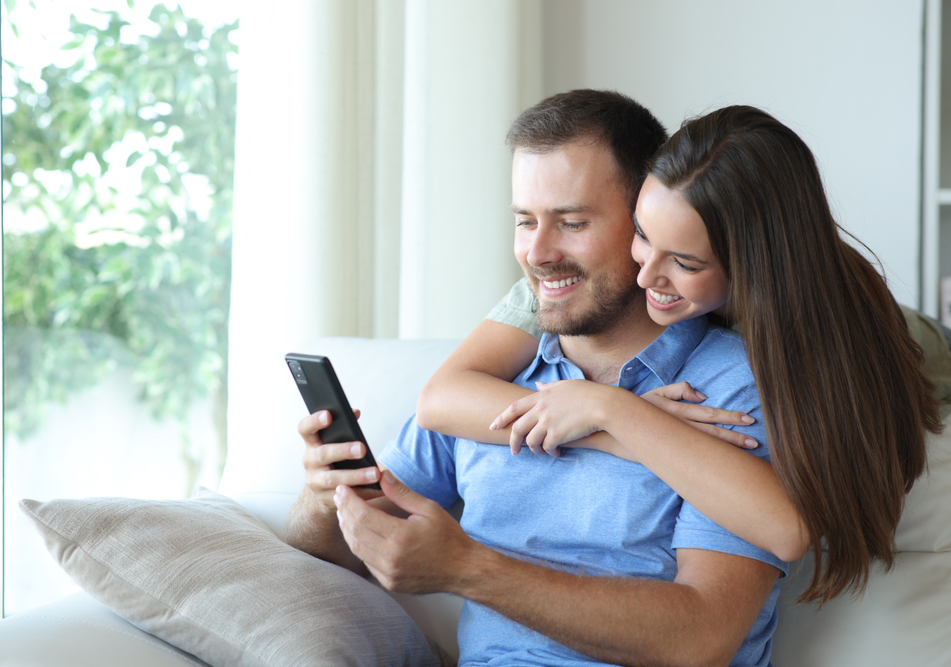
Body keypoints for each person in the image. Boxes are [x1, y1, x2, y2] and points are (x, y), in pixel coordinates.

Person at [286, 90, 786, 667]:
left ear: (647, 222)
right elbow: (344, 552)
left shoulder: (727, 387)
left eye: (572, 223)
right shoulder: (490, 384)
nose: (538, 253)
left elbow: (702, 637)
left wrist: (468, 570)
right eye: (525, 221)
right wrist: (324, 500)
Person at [417, 102, 944, 604]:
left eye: (686, 262)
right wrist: (614, 431)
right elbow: (441, 398)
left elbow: (787, 529)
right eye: (643, 236)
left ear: (747, 268)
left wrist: (612, 406)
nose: (644, 277)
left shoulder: (799, 341)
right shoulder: (572, 288)